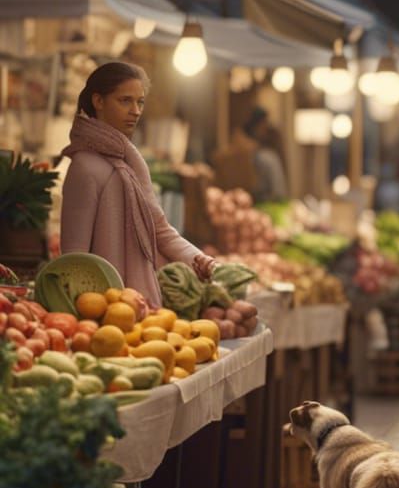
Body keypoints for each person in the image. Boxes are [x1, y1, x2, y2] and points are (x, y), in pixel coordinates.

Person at [61, 62, 217, 308]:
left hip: (140, 305)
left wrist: (200, 260)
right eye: (125, 101)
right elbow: (73, 258)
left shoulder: (131, 160)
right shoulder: (84, 167)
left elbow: (160, 230)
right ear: (98, 101)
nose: (135, 111)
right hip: (102, 308)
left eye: (140, 102)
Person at [243, 106, 289, 202]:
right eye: (263, 124)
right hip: (261, 198)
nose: (265, 127)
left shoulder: (268, 153)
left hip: (271, 198)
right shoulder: (254, 152)